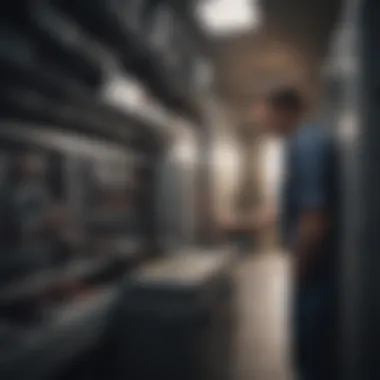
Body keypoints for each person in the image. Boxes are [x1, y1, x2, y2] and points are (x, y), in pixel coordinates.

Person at [266, 87, 340, 380]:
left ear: (284, 111)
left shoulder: (307, 144)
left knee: (313, 351)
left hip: (314, 270)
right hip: (312, 268)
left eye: (266, 114)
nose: (264, 121)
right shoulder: (298, 144)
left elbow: (315, 217)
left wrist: (300, 268)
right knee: (308, 348)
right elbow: (291, 210)